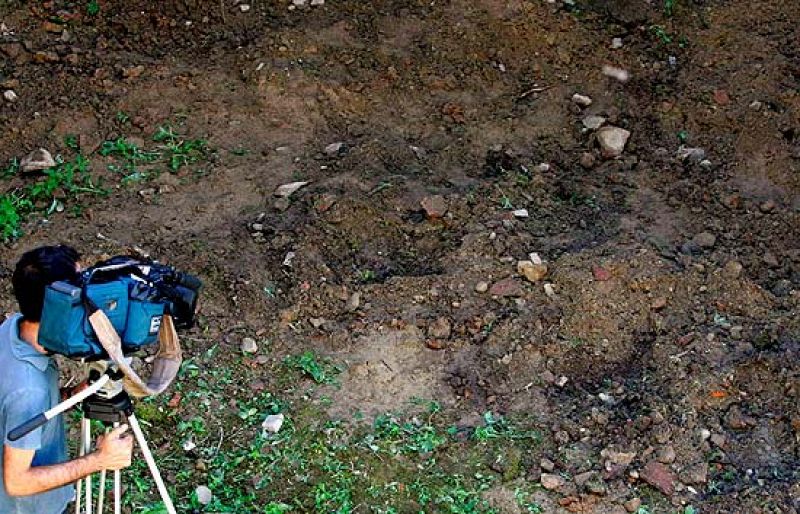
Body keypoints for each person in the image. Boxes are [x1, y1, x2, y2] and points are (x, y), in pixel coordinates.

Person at [1, 245, 133, 514]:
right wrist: (100, 459)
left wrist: (72, 394)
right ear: (60, 309)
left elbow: (11, 407)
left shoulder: (11, 329)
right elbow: (16, 482)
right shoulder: (28, 390)